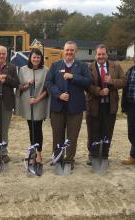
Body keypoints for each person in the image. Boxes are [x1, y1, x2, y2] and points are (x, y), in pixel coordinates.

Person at [45, 41, 91, 170]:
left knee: (72, 136)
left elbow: (88, 82)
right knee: (57, 135)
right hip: (57, 107)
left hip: (75, 108)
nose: (69, 52)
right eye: (67, 50)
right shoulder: (55, 65)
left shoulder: (82, 66)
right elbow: (48, 83)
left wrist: (73, 77)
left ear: (76, 52)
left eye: (72, 50)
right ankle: (58, 158)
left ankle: (69, 160)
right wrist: (58, 94)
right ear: (63, 51)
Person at [85, 44, 126, 165]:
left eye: (103, 54)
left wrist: (112, 81)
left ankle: (104, 155)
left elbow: (124, 81)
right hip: (94, 105)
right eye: (99, 54)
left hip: (109, 106)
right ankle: (92, 155)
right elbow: (86, 85)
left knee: (107, 131)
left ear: (107, 55)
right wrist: (98, 91)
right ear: (95, 55)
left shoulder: (116, 66)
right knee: (93, 131)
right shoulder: (89, 67)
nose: (101, 56)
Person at [15, 48, 49, 164]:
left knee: (37, 128)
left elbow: (47, 89)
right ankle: (33, 151)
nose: (36, 59)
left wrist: (37, 99)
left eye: (38, 57)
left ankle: (39, 153)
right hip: (27, 104)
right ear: (30, 58)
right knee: (31, 128)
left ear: (41, 59)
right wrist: (27, 84)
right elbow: (19, 87)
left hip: (39, 104)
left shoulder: (46, 71)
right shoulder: (23, 70)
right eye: (34, 57)